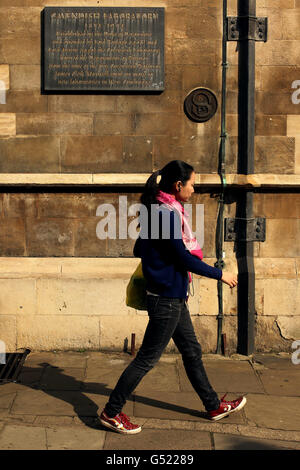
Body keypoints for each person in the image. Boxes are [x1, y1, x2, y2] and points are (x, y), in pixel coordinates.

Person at [100, 160, 246, 434]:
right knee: (146, 359)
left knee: (191, 351)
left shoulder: (161, 211)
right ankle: (111, 412)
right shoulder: (166, 214)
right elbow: (181, 256)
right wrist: (219, 274)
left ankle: (213, 405)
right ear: (178, 185)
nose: (194, 189)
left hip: (173, 295)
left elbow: (139, 249)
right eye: (192, 184)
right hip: (166, 298)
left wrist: (159, 260)